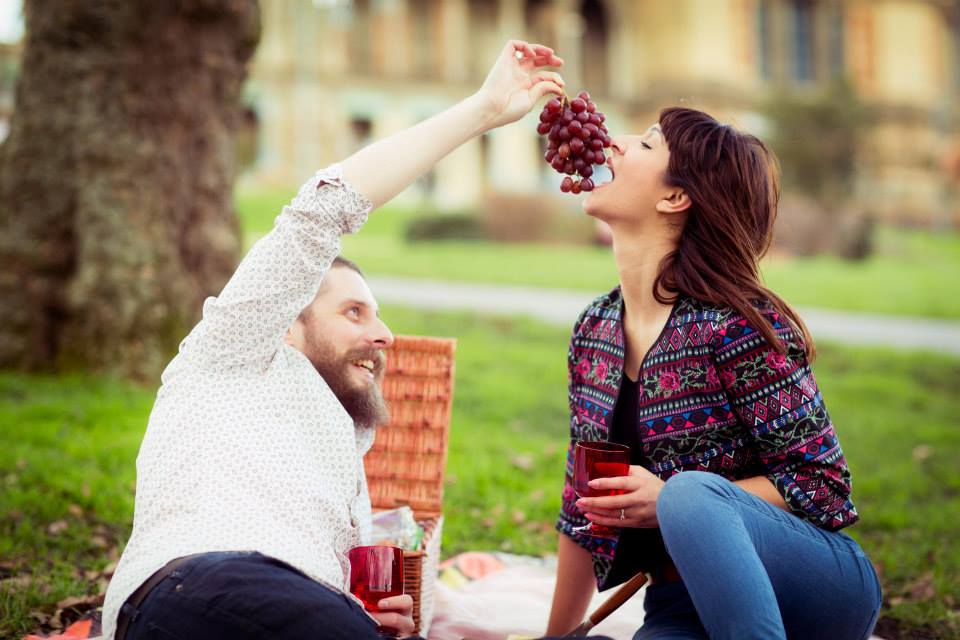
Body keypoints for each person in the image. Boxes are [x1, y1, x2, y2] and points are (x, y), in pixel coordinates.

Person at [100, 40, 565, 640]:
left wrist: (358, 611)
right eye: (354, 311)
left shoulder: (342, 449)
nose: (385, 335)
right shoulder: (230, 355)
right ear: (286, 319)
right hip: (195, 589)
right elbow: (322, 208)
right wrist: (482, 110)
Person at [545, 108, 882, 640]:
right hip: (679, 606)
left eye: (648, 144)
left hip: (814, 589)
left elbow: (824, 485)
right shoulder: (595, 330)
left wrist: (672, 500)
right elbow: (581, 511)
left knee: (689, 494)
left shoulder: (735, 325)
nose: (615, 142)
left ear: (675, 198)